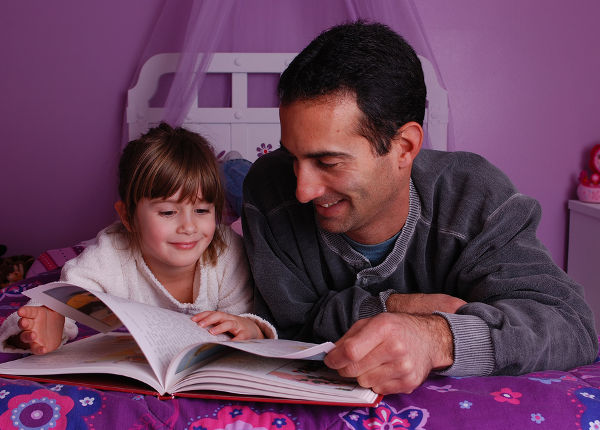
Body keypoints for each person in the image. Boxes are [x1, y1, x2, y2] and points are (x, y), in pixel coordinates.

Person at [241, 21, 598, 395]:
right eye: (292, 155)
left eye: (329, 163)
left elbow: (569, 324)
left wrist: (437, 337)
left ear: (405, 147)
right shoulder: (269, 190)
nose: (302, 190)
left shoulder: (475, 197)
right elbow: (287, 327)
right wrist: (399, 305)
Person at [1, 123, 275, 355]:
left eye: (202, 210)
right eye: (168, 212)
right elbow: (64, 297)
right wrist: (43, 326)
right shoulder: (112, 255)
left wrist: (249, 327)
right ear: (129, 217)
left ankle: (235, 167)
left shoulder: (227, 253)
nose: (189, 226)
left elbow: (247, 317)